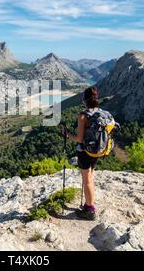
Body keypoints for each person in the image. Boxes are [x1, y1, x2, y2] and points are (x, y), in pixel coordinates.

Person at [62, 86, 100, 220]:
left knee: (86, 180)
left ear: (84, 99)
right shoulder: (100, 113)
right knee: (90, 177)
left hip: (85, 152)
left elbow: (79, 138)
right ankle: (89, 204)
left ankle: (90, 210)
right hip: (96, 151)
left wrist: (67, 134)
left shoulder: (83, 115)